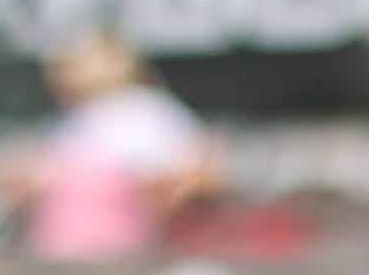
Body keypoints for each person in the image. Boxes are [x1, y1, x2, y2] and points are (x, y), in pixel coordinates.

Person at [11, 31, 216, 263]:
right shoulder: (72, 121)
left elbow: (196, 176)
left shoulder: (146, 113)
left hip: (126, 254)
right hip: (66, 257)